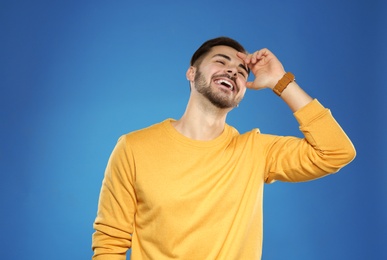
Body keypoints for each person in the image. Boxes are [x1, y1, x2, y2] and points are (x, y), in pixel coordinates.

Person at [92, 37, 356, 260]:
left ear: (241, 94)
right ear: (191, 73)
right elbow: (109, 243)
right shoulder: (134, 147)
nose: (233, 71)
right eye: (221, 61)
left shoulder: (256, 150)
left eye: (242, 72)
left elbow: (336, 151)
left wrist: (280, 81)